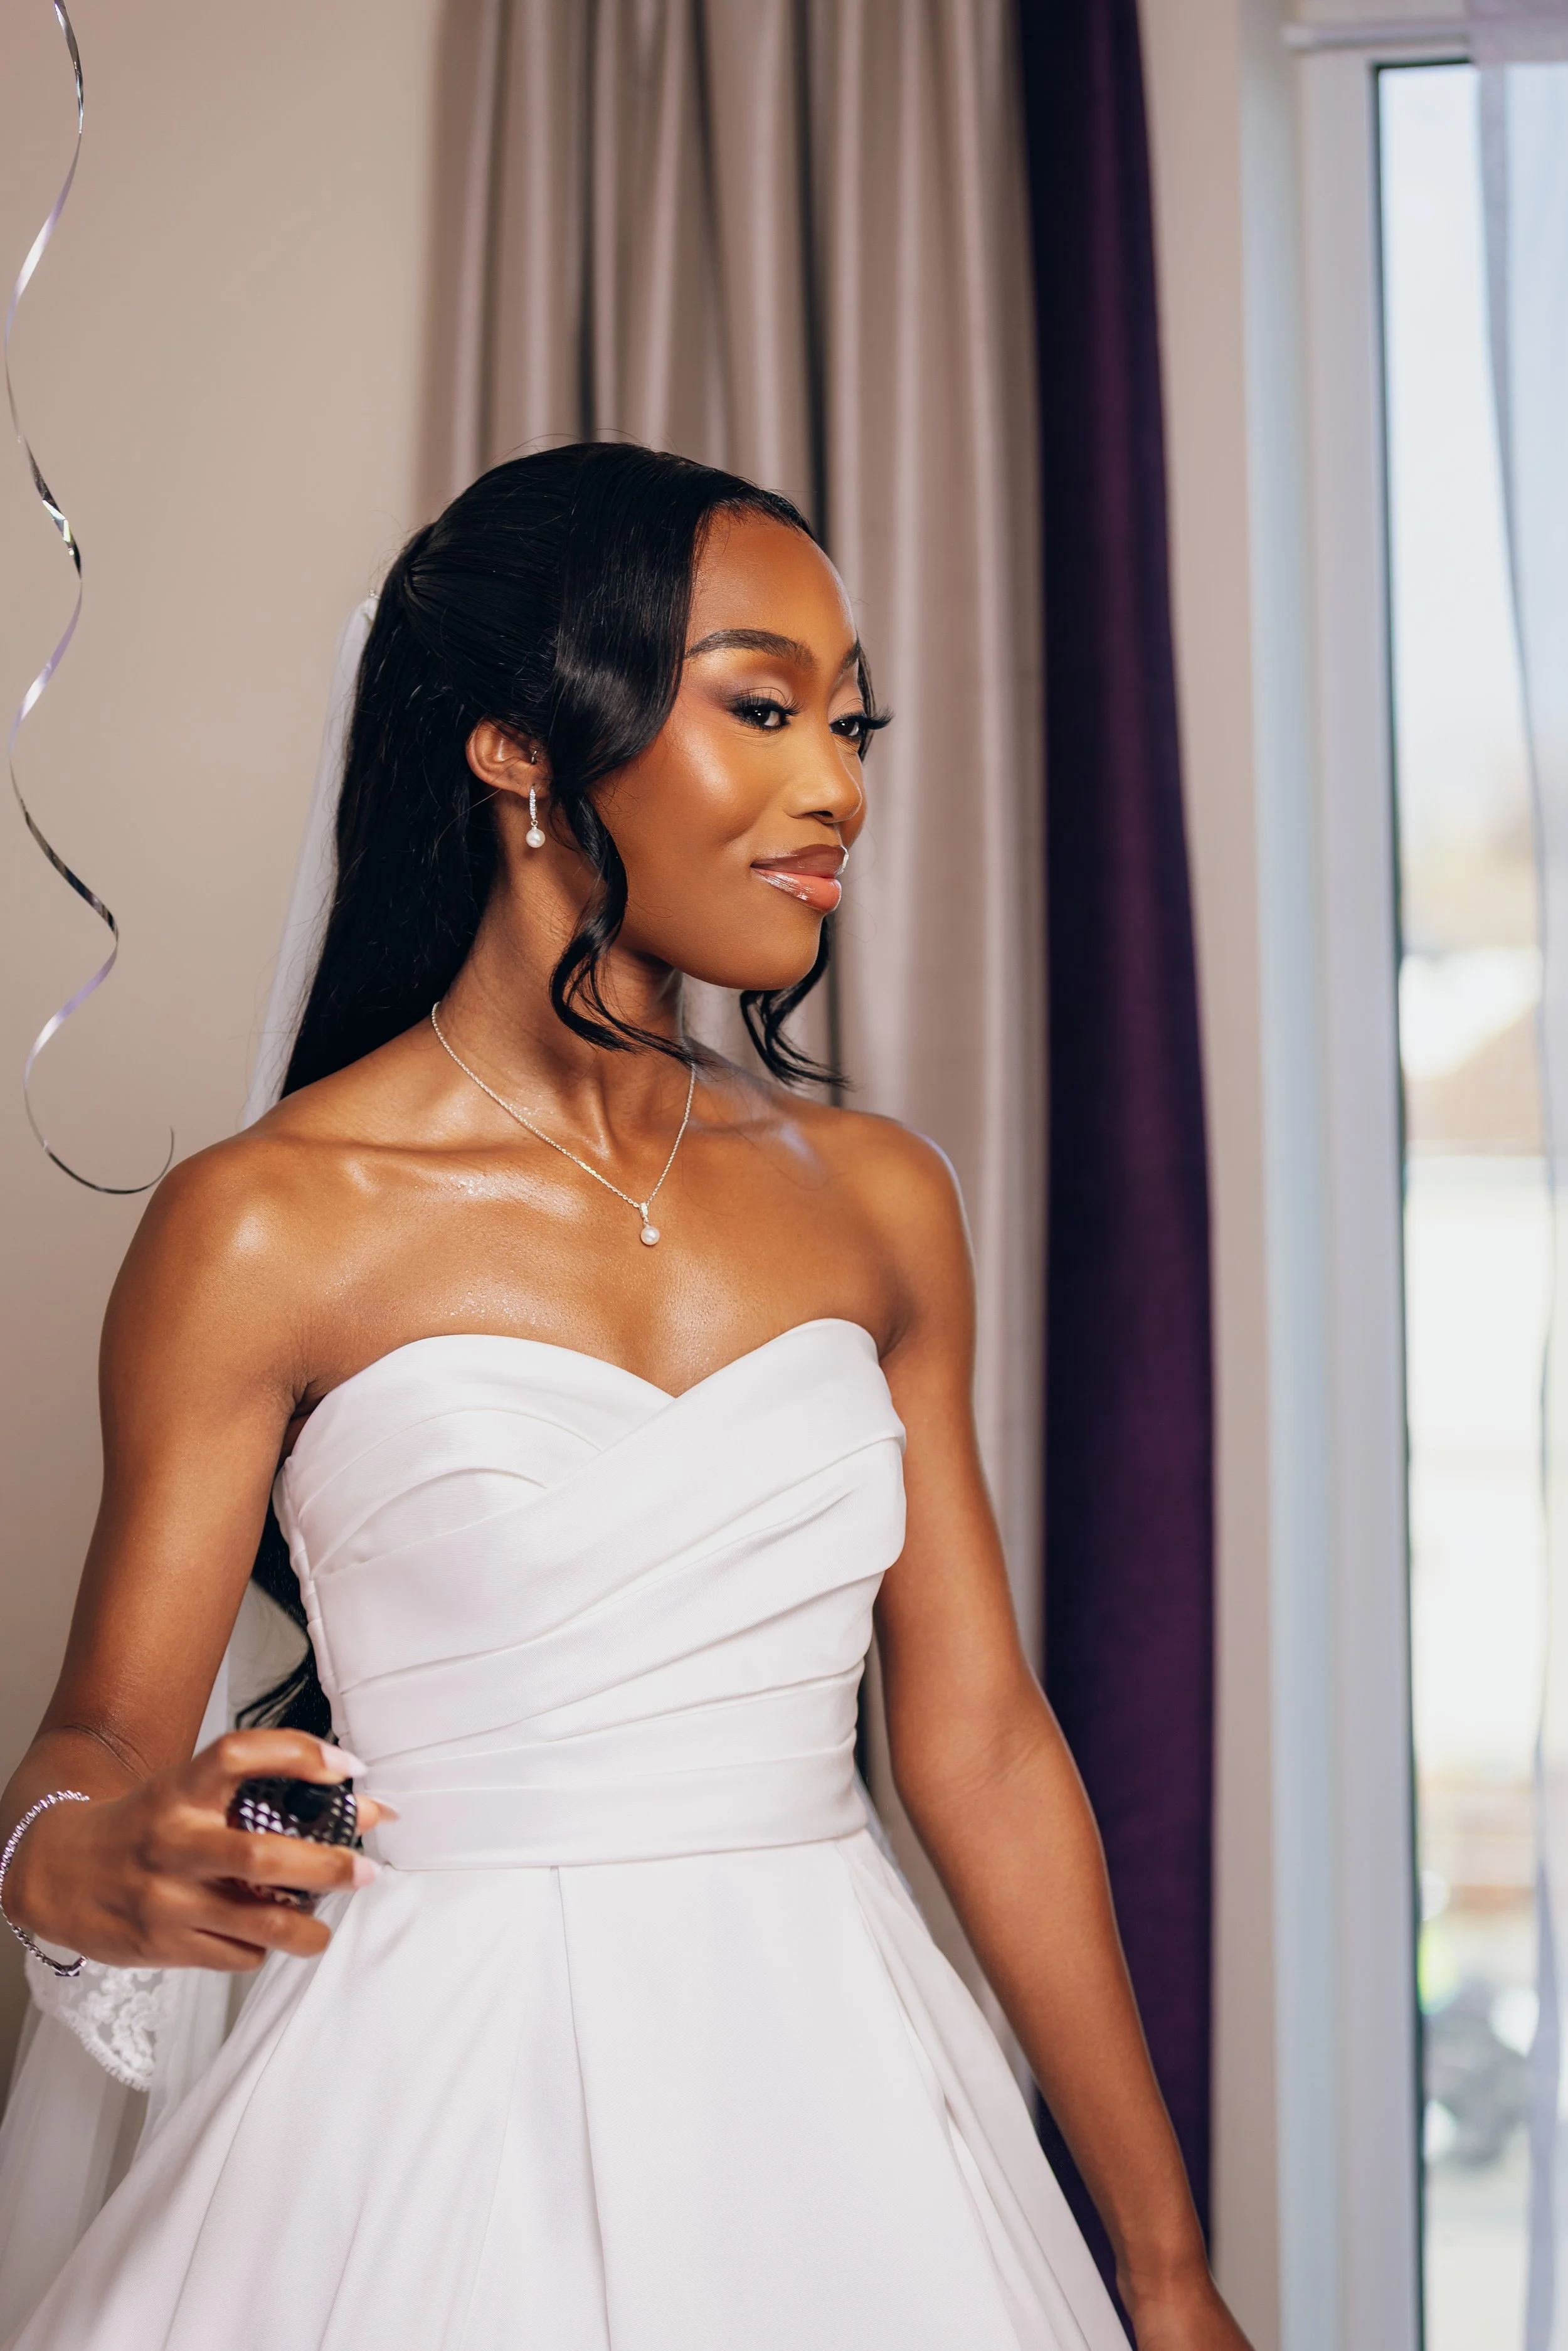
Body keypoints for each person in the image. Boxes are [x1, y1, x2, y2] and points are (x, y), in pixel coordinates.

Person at [0, 445, 1248, 2351]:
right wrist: (82, 1855)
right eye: (762, 707)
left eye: (850, 723)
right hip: (427, 2123)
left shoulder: (880, 1200)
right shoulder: (264, 1226)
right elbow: (96, 1732)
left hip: (845, 2110)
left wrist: (1164, 2273)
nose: (838, 786)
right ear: (518, 743)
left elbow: (984, 1744)